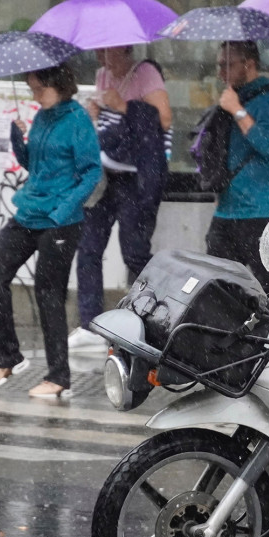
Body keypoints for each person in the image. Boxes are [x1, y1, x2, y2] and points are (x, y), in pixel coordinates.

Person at [0, 63, 102, 398]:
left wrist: (65, 209)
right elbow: (34, 165)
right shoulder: (42, 116)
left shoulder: (77, 120)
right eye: (31, 88)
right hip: (29, 211)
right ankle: (8, 358)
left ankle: (58, 377)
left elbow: (91, 172)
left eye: (38, 89)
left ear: (57, 84)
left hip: (61, 220)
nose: (34, 94)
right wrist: (18, 141)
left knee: (48, 293)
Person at [68, 45, 172, 351]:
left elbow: (163, 120)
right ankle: (90, 324)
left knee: (135, 252)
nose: (102, 59)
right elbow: (109, 127)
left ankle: (161, 314)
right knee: (88, 247)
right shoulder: (102, 75)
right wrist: (95, 114)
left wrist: (124, 104)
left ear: (123, 49)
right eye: (98, 53)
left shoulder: (144, 73)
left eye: (107, 52)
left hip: (135, 176)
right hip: (106, 172)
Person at [208, 40, 269, 295]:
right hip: (227, 210)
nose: (221, 72)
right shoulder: (230, 97)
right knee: (217, 288)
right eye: (219, 65)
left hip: (261, 212)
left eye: (227, 65)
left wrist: (238, 111)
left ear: (249, 64)